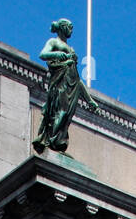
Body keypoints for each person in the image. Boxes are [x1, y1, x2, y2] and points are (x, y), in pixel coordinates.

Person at [33, 18, 99, 155]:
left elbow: (77, 80)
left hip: (72, 86)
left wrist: (89, 100)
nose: (71, 30)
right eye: (69, 27)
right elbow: (42, 54)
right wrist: (57, 54)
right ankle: (52, 141)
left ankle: (59, 143)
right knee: (60, 113)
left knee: (66, 117)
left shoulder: (71, 49)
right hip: (59, 83)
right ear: (62, 27)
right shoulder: (53, 42)